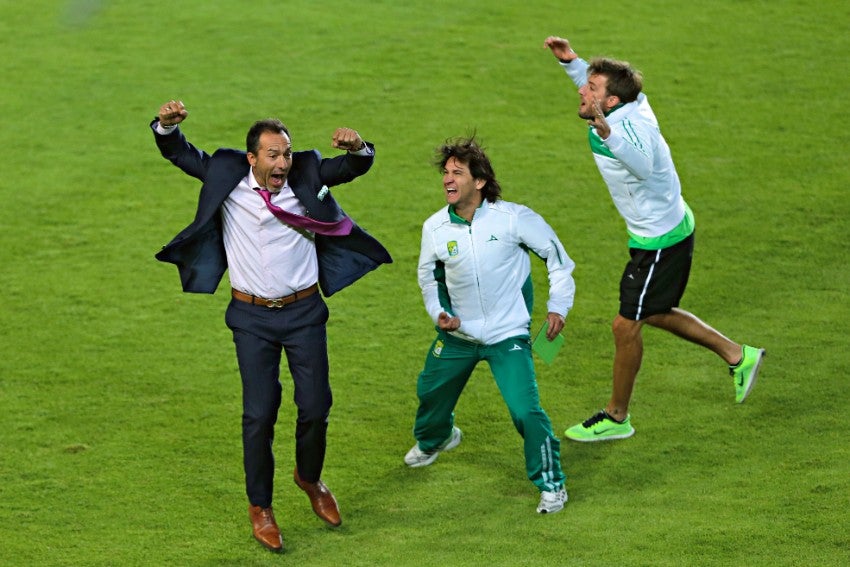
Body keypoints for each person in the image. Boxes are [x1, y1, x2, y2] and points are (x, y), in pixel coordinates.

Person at [150, 100, 391, 552]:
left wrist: (359, 148)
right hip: (251, 317)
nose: (282, 163)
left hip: (304, 314)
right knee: (259, 414)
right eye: (273, 155)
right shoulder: (227, 175)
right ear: (252, 159)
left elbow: (354, 167)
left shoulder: (308, 172)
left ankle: (309, 477)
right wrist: (166, 127)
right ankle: (260, 506)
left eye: (286, 153)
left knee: (316, 406)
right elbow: (181, 154)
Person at [543, 36, 765, 442]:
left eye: (590, 89)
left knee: (625, 325)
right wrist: (571, 62)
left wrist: (609, 133)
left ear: (610, 104)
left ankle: (616, 416)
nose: (582, 91)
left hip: (660, 240)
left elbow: (642, 166)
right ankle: (738, 355)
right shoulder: (624, 102)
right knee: (655, 310)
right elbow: (599, 92)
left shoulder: (630, 126)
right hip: (660, 230)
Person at [405, 136, 576, 514]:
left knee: (525, 411)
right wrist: (439, 315)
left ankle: (552, 483)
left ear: (479, 181)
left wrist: (558, 306)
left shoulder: (514, 218)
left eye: (457, 173)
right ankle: (437, 439)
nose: (448, 180)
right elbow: (428, 279)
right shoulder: (434, 228)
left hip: (506, 335)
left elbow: (558, 260)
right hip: (458, 335)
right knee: (430, 394)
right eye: (445, 173)